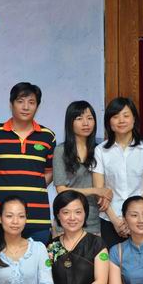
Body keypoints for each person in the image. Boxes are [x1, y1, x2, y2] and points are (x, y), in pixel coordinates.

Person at [0, 83, 56, 244]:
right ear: (11, 104)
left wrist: (35, 186)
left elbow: (50, 171)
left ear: (37, 106)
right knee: (1, 259)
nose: (26, 107)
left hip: (38, 218)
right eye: (20, 101)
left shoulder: (48, 136)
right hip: (4, 218)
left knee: (38, 259)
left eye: (31, 102)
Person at [92, 97, 143, 249]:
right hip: (110, 219)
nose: (121, 120)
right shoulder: (101, 150)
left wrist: (135, 216)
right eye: (115, 116)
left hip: (142, 220)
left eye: (126, 115)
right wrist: (116, 221)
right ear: (109, 122)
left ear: (134, 119)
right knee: (113, 260)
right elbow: (99, 190)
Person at [52, 101, 112, 236]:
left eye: (90, 118)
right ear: (70, 123)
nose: (86, 123)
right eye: (79, 118)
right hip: (67, 220)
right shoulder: (61, 151)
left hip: (94, 219)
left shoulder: (100, 150)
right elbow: (61, 190)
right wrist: (95, 190)